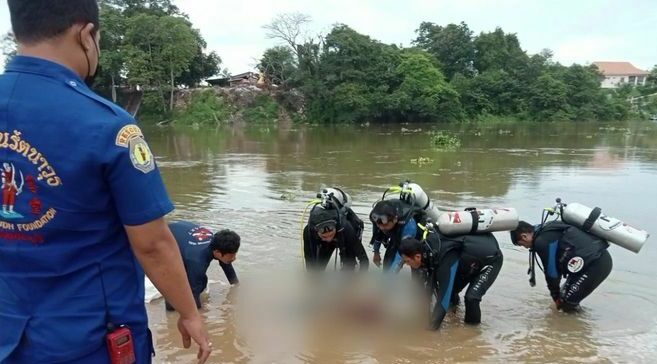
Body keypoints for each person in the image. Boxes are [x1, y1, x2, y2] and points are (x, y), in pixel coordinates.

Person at [0, 1, 211, 363]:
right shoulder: (108, 127)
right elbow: (152, 245)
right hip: (87, 338)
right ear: (85, 35)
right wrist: (190, 313)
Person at [399, 227, 503, 330]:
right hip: (470, 262)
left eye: (407, 261)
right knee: (451, 290)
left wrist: (430, 330)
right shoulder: (429, 252)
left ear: (417, 257)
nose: (407, 265)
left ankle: (472, 333)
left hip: (491, 260)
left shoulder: (443, 257)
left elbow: (443, 299)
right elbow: (429, 288)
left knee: (471, 298)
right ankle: (454, 316)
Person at [510, 220, 613, 312]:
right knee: (565, 297)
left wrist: (555, 296)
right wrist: (557, 295)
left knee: (566, 304)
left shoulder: (541, 241)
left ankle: (575, 331)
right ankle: (575, 326)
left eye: (522, 244)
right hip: (593, 260)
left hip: (596, 264)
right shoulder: (549, 227)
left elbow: (551, 272)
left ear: (524, 236)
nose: (526, 247)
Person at [166, 221, 240, 310]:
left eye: (235, 254)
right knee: (177, 289)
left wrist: (236, 287)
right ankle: (170, 313)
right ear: (217, 252)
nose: (234, 258)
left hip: (178, 231)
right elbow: (193, 295)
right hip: (163, 239)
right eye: (232, 255)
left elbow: (226, 264)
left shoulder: (219, 243)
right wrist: (202, 317)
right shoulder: (197, 261)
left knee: (201, 282)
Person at [303, 205, 369, 271]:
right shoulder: (308, 232)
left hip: (344, 238)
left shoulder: (345, 228)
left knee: (349, 267)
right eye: (324, 236)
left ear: (336, 227)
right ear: (316, 232)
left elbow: (364, 259)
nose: (329, 239)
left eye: (331, 235)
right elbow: (309, 260)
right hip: (325, 242)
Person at [369, 199, 421, 272]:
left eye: (385, 226)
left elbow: (399, 258)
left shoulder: (409, 227)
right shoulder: (378, 219)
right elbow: (377, 234)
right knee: (387, 266)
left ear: (395, 220)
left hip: (413, 242)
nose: (381, 228)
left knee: (416, 270)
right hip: (396, 237)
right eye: (379, 225)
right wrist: (376, 252)